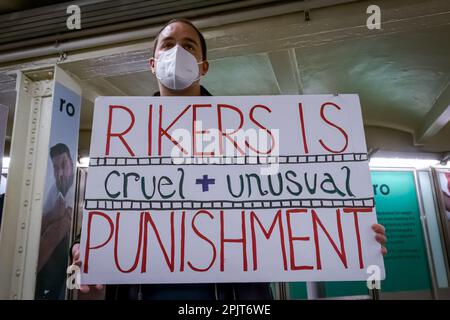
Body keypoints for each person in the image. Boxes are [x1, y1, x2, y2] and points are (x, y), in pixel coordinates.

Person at [71, 18, 388, 300]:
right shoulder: (123, 139)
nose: (177, 52)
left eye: (188, 45)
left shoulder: (245, 131)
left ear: (203, 65)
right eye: (168, 45)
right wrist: (89, 251)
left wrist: (354, 232)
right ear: (153, 64)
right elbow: (110, 213)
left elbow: (286, 199)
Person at [36, 143, 75, 299]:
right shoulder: (54, 189)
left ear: (71, 163)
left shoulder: (79, 186)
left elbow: (54, 233)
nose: (59, 173)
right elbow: (39, 225)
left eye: (63, 165)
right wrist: (53, 214)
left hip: (72, 268)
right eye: (55, 167)